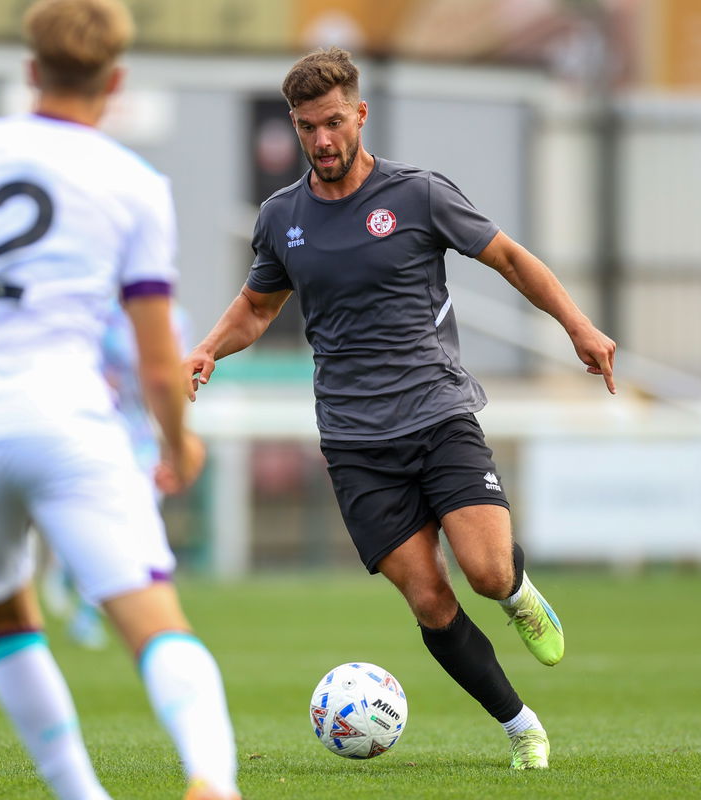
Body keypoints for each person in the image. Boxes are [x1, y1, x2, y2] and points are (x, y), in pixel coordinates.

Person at [0, 1, 240, 798]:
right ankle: (211, 779)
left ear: (31, 71)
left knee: (6, 619)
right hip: (63, 417)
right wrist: (178, 444)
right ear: (115, 82)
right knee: (153, 620)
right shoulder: (134, 184)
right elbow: (156, 358)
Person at [184, 47, 617, 771]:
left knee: (485, 572)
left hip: (438, 414)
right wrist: (207, 349)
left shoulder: (418, 195)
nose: (321, 139)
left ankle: (516, 593)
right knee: (430, 600)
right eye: (305, 127)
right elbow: (257, 308)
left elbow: (510, 259)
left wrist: (578, 326)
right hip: (355, 443)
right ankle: (522, 729)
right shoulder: (281, 217)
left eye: (332, 122)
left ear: (359, 114)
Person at [38, 299, 191, 650]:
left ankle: (85, 599)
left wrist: (175, 438)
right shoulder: (103, 315)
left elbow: (173, 376)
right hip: (100, 431)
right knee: (102, 522)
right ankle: (82, 600)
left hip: (142, 436)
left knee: (137, 522)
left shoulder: (176, 319)